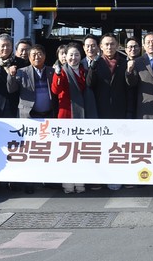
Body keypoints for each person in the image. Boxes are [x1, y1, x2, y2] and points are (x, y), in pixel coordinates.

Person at [51, 42, 97, 194]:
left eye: (76, 55)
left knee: (81, 152)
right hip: (67, 116)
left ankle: (80, 182)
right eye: (70, 55)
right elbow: (56, 90)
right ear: (65, 56)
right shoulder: (61, 71)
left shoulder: (85, 70)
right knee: (67, 153)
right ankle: (68, 185)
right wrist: (57, 74)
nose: (73, 58)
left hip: (83, 115)